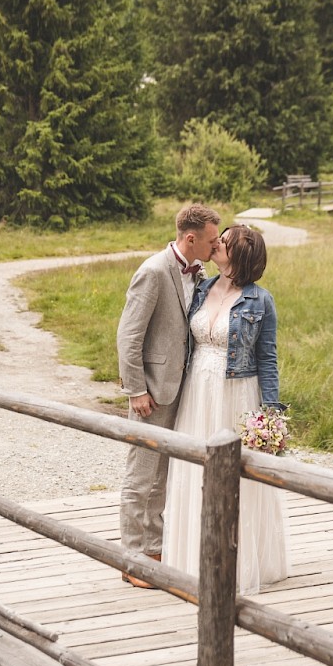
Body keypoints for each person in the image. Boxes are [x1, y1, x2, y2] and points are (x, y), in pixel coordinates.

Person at [162, 224, 290, 596]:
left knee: (236, 478)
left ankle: (237, 562)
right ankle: (191, 558)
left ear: (241, 253)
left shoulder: (260, 300)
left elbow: (267, 358)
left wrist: (269, 414)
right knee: (193, 468)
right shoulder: (201, 287)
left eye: (226, 240)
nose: (217, 242)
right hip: (197, 393)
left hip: (237, 393)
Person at [117, 203, 222, 586]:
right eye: (211, 241)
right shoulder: (153, 271)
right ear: (190, 238)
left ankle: (155, 549)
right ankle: (132, 559)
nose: (215, 247)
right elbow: (128, 337)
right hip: (153, 392)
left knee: (163, 475)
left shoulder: (201, 271)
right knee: (141, 475)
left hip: (184, 389)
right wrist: (136, 389)